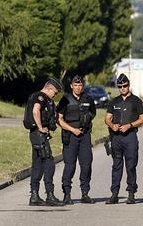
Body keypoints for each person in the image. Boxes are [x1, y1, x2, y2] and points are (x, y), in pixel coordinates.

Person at [104, 74, 143, 204]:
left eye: (125, 86)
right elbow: (107, 118)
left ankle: (131, 193)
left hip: (130, 137)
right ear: (118, 87)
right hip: (116, 137)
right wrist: (112, 125)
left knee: (131, 166)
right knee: (116, 166)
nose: (123, 88)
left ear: (129, 85)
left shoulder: (136, 100)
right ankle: (114, 194)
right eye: (120, 86)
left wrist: (130, 125)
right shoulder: (114, 101)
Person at [56, 75, 96, 205]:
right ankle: (67, 194)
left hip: (84, 136)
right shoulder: (65, 100)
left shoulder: (88, 98)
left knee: (86, 165)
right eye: (76, 85)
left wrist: (85, 124)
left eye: (80, 85)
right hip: (70, 136)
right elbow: (59, 119)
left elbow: (92, 114)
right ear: (71, 86)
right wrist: (72, 129)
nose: (78, 87)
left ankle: (85, 193)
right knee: (70, 166)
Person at [26, 77, 64, 206]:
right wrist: (41, 128)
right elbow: (36, 111)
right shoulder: (40, 97)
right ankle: (50, 195)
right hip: (38, 134)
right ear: (49, 88)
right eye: (55, 92)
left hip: (37, 135)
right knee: (48, 163)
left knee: (37, 164)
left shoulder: (42, 97)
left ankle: (34, 196)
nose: (56, 94)